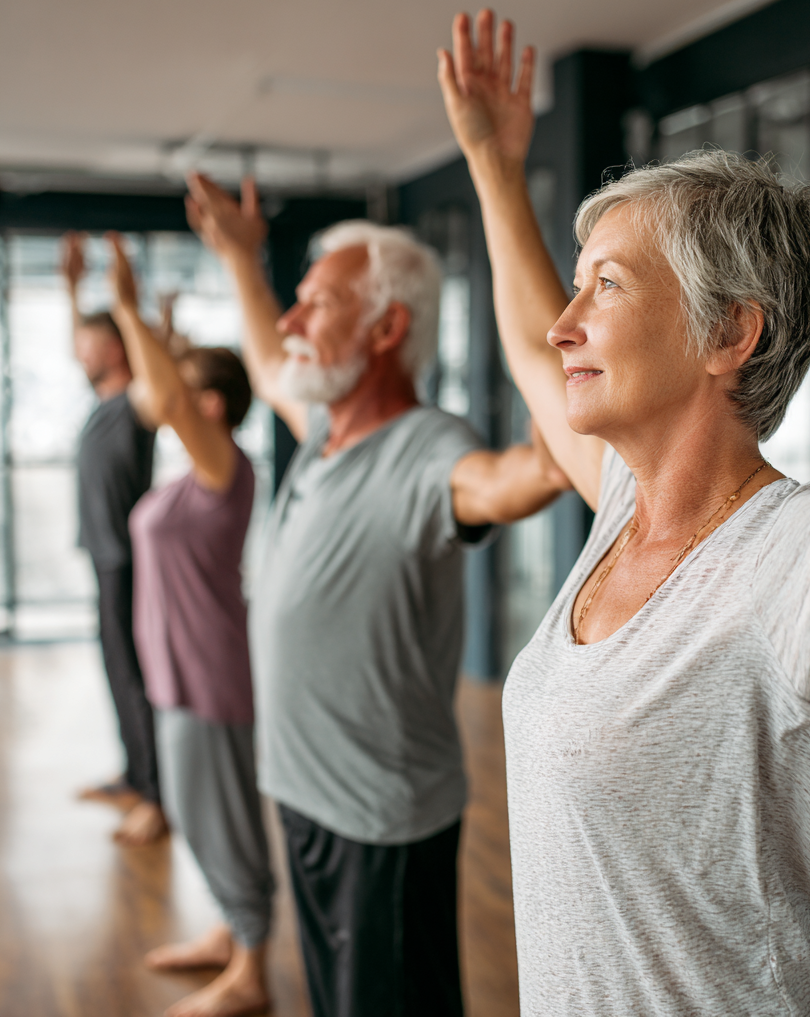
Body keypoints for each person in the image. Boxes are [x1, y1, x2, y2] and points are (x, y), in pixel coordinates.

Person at [438, 10, 810, 1017]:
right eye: (576, 286)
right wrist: (494, 166)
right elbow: (539, 355)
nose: (564, 322)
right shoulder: (622, 502)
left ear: (728, 332)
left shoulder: (798, 558)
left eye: (606, 286)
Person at [184, 175, 571, 1017]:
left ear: (387, 328)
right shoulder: (324, 430)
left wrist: (496, 177)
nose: (292, 322)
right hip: (307, 796)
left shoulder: (433, 452)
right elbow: (265, 354)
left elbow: (532, 471)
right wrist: (245, 262)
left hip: (380, 822)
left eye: (316, 304)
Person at [102, 233, 272, 1017]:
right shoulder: (192, 473)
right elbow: (164, 388)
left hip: (207, 674)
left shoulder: (224, 469)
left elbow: (163, 394)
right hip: (176, 673)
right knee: (201, 817)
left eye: (180, 382)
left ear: (208, 406)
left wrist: (128, 308)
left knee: (225, 820)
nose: (157, 390)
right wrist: (161, 328)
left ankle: (251, 972)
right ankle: (226, 934)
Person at [62, 233, 166, 846]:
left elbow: (160, 374)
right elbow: (80, 340)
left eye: (84, 342)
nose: (76, 351)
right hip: (104, 557)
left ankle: (156, 797)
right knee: (115, 672)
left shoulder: (137, 400)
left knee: (133, 678)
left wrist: (132, 303)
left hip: (127, 562)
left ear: (112, 348)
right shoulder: (102, 398)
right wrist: (73, 289)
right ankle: (133, 775)